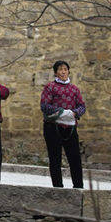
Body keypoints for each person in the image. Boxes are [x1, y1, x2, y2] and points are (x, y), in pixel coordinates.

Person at [40, 60, 85, 188]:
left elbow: (82, 106)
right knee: (55, 159)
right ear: (55, 72)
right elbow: (44, 106)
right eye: (60, 69)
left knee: (75, 159)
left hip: (70, 128)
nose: (63, 72)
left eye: (65, 69)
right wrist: (61, 112)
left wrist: (74, 113)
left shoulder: (74, 89)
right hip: (53, 127)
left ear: (68, 71)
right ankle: (58, 187)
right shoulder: (50, 87)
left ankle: (78, 187)